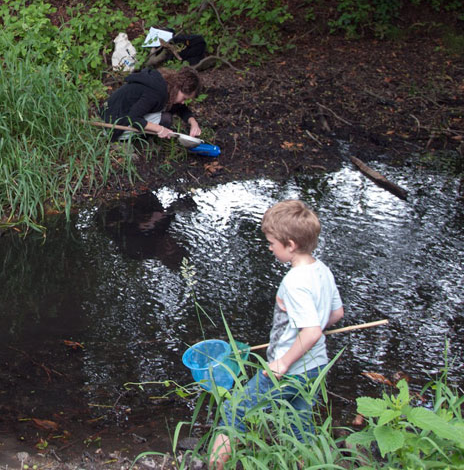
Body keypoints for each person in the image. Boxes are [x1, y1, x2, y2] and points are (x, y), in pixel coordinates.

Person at [209, 200, 344, 470]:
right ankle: (304, 464)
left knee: (233, 410)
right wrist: (305, 334)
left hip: (289, 369)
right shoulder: (322, 270)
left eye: (272, 243)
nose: (270, 248)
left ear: (291, 245)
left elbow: (312, 331)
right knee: (299, 425)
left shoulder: (294, 282)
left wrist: (282, 362)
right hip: (315, 367)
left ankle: (213, 466)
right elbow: (336, 314)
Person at [103, 66, 202, 141]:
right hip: (112, 125)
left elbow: (180, 108)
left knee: (167, 114)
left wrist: (193, 123)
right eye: (184, 98)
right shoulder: (156, 93)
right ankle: (131, 140)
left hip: (115, 113)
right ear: (178, 88)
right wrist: (159, 129)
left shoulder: (168, 86)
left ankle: (140, 137)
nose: (183, 102)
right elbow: (133, 118)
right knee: (166, 119)